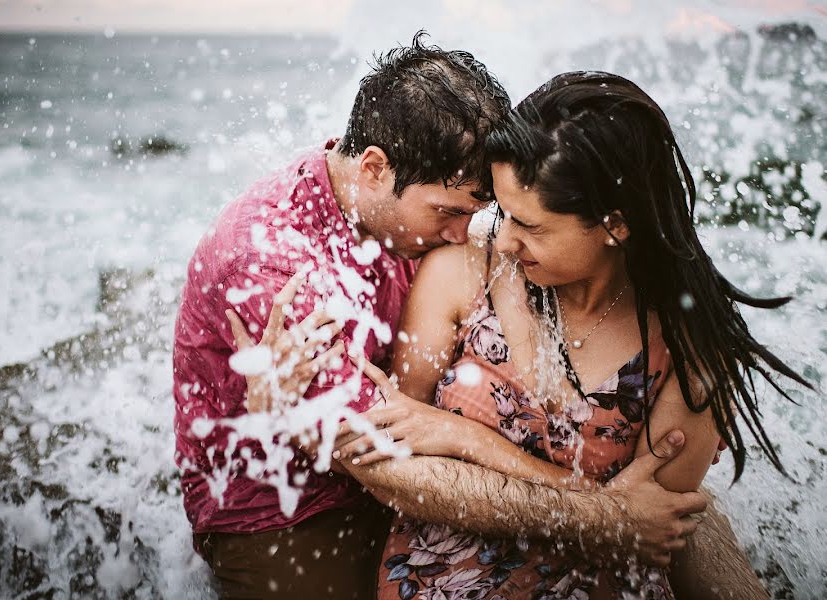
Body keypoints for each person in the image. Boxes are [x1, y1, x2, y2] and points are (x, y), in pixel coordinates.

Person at [174, 35, 742, 599]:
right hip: (286, 507)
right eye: (448, 213)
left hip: (421, 477)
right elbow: (375, 454)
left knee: (691, 515)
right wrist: (607, 513)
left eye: (479, 212)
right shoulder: (274, 264)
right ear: (373, 168)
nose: (466, 234)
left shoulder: (414, 209)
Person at [317, 71, 805, 598]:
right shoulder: (462, 272)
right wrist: (600, 510)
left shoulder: (689, 354)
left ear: (614, 225)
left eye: (530, 226)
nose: (502, 240)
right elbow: (395, 459)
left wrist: (469, 439)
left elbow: (645, 528)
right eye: (502, 213)